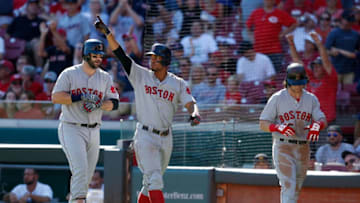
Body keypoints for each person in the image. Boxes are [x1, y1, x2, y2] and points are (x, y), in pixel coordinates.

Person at [95, 16, 201, 203]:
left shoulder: (177, 83)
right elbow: (121, 54)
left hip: (166, 137)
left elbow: (190, 102)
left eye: (156, 58)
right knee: (155, 179)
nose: (152, 61)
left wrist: (194, 114)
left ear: (166, 61)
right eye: (151, 57)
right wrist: (108, 34)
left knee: (150, 182)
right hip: (145, 135)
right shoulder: (141, 75)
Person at [51, 38, 120, 203]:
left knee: (87, 175)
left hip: (95, 129)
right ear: (86, 55)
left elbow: (115, 103)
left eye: (100, 55)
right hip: (72, 127)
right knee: (80, 170)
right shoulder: (69, 73)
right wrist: (80, 96)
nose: (98, 58)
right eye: (95, 55)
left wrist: (100, 103)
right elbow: (56, 97)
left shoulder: (104, 77)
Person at [259, 62, 327, 203]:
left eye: (300, 83)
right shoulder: (277, 98)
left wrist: (317, 125)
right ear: (288, 82)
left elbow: (322, 118)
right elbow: (263, 123)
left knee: (296, 189)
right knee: (288, 186)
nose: (297, 86)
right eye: (294, 83)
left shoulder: (311, 98)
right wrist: (278, 127)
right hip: (283, 146)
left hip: (303, 147)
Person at [286, 32, 337, 123]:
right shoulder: (310, 77)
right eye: (314, 66)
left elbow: (325, 61)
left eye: (318, 66)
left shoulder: (330, 78)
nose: (315, 69)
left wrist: (319, 43)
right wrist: (291, 43)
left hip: (326, 122)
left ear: (324, 68)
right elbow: (297, 61)